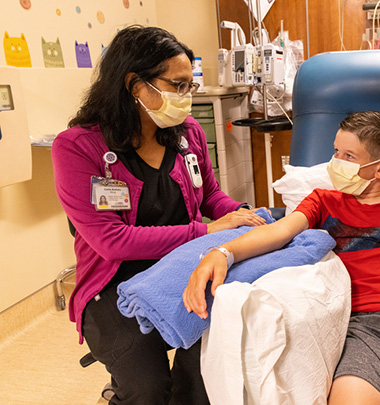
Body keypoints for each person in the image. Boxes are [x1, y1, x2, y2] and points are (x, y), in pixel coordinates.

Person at [183, 111, 380, 405]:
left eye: (348, 156)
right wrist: (224, 252)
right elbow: (280, 232)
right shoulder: (323, 201)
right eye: (335, 151)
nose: (335, 163)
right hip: (358, 328)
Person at [52, 25, 266, 404]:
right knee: (147, 390)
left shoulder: (187, 134)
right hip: (113, 288)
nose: (187, 97)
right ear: (136, 85)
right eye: (178, 85)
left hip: (184, 271)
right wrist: (206, 230)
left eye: (190, 86)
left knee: (210, 366)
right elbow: (111, 242)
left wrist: (246, 217)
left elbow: (212, 195)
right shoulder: (78, 148)